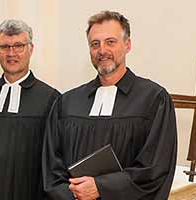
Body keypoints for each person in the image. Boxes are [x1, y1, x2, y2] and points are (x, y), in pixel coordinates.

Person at [42, 10, 177, 200]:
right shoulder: (68, 102)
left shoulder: (153, 100)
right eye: (95, 44)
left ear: (127, 45)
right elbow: (52, 167)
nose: (102, 50)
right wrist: (72, 194)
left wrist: (102, 188)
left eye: (110, 42)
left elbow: (155, 170)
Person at [0, 19, 60, 200]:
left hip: (28, 191)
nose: (11, 53)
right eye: (4, 47)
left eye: (18, 46)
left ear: (31, 49)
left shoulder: (51, 98)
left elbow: (53, 158)